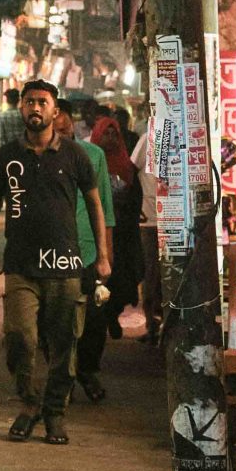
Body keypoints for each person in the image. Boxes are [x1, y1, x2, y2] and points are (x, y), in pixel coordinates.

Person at [0, 80, 110, 446]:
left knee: (65, 344)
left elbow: (95, 205)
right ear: (21, 108)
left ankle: (55, 413)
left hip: (66, 266)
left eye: (42, 102)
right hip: (20, 266)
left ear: (55, 111)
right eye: (29, 101)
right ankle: (28, 404)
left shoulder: (76, 156)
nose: (35, 108)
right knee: (20, 337)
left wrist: (103, 256)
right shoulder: (7, 156)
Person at [53, 106, 116, 403]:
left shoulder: (94, 156)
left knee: (93, 318)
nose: (62, 136)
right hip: (51, 252)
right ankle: (61, 378)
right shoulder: (35, 158)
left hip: (89, 249)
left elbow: (104, 207)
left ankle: (87, 370)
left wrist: (107, 254)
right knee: (56, 318)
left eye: (66, 131)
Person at [91, 117, 144, 341]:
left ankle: (112, 314)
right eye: (106, 133)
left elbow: (136, 196)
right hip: (97, 231)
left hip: (123, 233)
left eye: (115, 134)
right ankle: (101, 318)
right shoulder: (89, 162)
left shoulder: (127, 166)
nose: (111, 138)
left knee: (123, 281)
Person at [131, 134, 162, 343]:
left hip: (173, 220)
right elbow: (131, 170)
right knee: (151, 274)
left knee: (164, 275)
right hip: (150, 218)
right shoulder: (149, 137)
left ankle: (162, 326)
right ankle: (153, 326)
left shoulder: (184, 132)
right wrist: (136, 205)